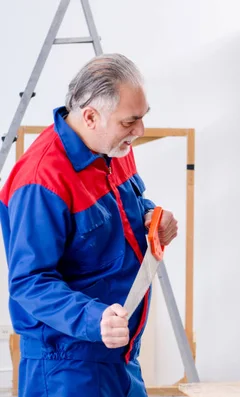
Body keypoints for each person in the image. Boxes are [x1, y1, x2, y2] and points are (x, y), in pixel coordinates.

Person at [0, 53, 178, 396]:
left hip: (120, 355)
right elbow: (29, 282)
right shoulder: (42, 180)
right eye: (130, 121)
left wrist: (153, 218)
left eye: (142, 118)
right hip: (66, 366)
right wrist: (93, 319)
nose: (139, 131)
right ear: (92, 116)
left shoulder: (113, 148)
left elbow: (128, 210)